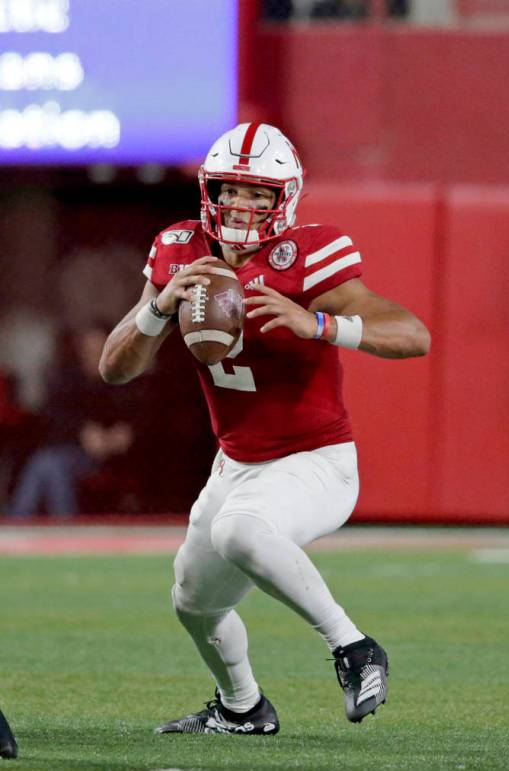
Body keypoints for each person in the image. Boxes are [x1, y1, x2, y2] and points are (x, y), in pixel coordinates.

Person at [100, 122, 430, 735]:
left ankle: (354, 648)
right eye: (230, 190)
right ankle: (242, 707)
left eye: (258, 194)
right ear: (209, 191)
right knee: (194, 602)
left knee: (241, 532)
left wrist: (322, 327)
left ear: (287, 198)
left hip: (315, 461)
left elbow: (414, 335)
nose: (240, 206)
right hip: (235, 464)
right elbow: (114, 368)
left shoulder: (309, 254)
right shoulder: (179, 249)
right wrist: (158, 306)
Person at [9, 324, 142, 517]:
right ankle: (37, 522)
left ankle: (28, 525)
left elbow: (139, 421)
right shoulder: (68, 380)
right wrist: (83, 432)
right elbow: (53, 420)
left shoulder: (125, 379)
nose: (93, 355)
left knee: (46, 464)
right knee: (48, 464)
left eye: (99, 350)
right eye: (89, 351)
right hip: (72, 454)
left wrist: (121, 435)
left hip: (116, 460)